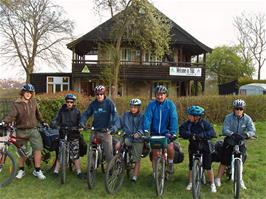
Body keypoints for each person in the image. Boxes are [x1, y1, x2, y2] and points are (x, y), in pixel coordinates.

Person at [3, 83, 46, 180]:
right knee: (21, 151)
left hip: (33, 129)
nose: (28, 94)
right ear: (23, 92)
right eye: (27, 92)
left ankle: (37, 170)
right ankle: (21, 170)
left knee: (37, 149)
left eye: (30, 92)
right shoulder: (17, 104)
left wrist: (43, 122)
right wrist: (5, 122)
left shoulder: (33, 102)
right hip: (21, 130)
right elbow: (11, 115)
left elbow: (38, 114)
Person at [215, 99, 255, 190]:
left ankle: (240, 179)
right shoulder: (228, 117)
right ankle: (218, 178)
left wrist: (247, 134)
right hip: (230, 140)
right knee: (224, 159)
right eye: (237, 108)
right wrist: (232, 134)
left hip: (241, 140)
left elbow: (252, 130)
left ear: (243, 109)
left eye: (241, 109)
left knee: (242, 157)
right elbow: (225, 129)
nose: (239, 110)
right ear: (234, 109)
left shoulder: (247, 119)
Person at [179, 105, 217, 193]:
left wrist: (202, 135)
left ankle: (212, 184)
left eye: (190, 115)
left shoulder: (204, 123)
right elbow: (181, 130)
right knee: (191, 165)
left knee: (208, 166)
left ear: (197, 117)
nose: (188, 117)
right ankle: (191, 183)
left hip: (204, 145)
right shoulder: (188, 123)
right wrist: (189, 134)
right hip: (193, 145)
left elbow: (212, 132)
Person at [79, 85, 119, 164]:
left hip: (106, 131)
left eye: (101, 94)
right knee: (91, 149)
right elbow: (86, 114)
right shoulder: (93, 104)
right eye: (97, 94)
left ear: (104, 94)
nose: (99, 96)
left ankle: (110, 170)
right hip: (95, 130)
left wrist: (113, 126)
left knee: (108, 153)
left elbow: (115, 115)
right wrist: (82, 122)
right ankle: (91, 168)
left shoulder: (109, 103)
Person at [143, 85, 178, 175]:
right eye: (158, 94)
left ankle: (170, 163)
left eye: (162, 94)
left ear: (166, 95)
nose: (160, 96)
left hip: (167, 132)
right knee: (155, 153)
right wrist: (146, 131)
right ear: (155, 95)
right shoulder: (151, 105)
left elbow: (174, 118)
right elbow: (147, 118)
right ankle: (155, 173)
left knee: (170, 147)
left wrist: (173, 132)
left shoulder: (170, 105)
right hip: (155, 133)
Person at [51, 93, 83, 178]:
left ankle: (79, 172)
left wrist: (80, 126)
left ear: (74, 103)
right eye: (68, 102)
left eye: (71, 102)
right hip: (63, 134)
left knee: (75, 154)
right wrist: (54, 123)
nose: (69, 103)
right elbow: (56, 119)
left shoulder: (77, 112)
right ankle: (56, 171)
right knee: (61, 153)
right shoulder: (61, 111)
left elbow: (81, 121)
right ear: (66, 102)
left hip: (74, 135)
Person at [120, 98, 144, 183]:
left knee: (137, 159)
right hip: (127, 137)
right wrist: (115, 128)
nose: (133, 109)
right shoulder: (126, 115)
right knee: (118, 146)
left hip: (138, 139)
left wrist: (139, 133)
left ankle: (134, 176)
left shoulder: (142, 116)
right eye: (132, 107)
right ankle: (117, 162)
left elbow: (143, 127)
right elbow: (120, 123)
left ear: (138, 108)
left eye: (135, 107)